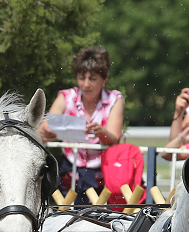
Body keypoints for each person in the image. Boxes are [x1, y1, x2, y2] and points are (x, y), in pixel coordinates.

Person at [37, 45, 124, 204]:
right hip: (69, 171)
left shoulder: (115, 99)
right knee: (65, 218)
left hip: (101, 174)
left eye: (92, 79)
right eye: (81, 78)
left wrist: (101, 132)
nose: (86, 84)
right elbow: (44, 128)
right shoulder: (66, 96)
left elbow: (113, 138)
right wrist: (50, 132)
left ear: (104, 79)